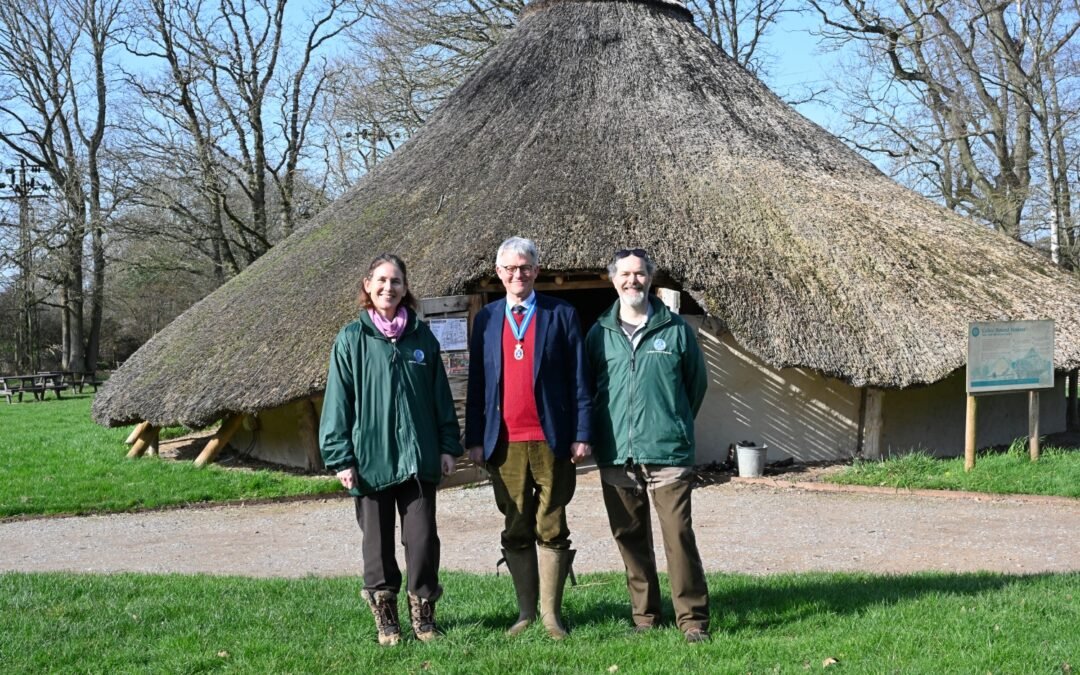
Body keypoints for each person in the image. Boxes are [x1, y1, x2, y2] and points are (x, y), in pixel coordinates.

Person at [319, 253, 462, 647]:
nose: (389, 288)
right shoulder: (352, 339)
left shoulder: (421, 338)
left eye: (396, 281)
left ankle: (424, 618)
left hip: (419, 460)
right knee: (377, 547)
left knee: (422, 541)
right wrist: (341, 457)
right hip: (370, 461)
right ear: (367, 285)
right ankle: (387, 620)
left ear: (405, 287)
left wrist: (449, 446)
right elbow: (338, 403)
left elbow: (440, 399)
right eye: (381, 280)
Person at [465, 236, 593, 640]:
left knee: (552, 524)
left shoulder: (562, 314)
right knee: (515, 525)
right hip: (504, 442)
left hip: (552, 439)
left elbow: (580, 379)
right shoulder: (486, 319)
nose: (517, 274)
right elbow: (478, 384)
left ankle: (552, 616)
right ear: (499, 274)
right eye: (509, 269)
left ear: (536, 271)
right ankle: (524, 613)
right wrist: (474, 438)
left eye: (525, 267)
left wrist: (582, 433)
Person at [585, 248, 711, 643]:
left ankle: (692, 620)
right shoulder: (598, 334)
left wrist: (669, 423)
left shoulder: (675, 331)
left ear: (650, 279)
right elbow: (588, 390)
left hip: (668, 453)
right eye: (625, 274)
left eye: (639, 274)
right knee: (629, 537)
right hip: (617, 453)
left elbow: (695, 387)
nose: (632, 281)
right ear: (613, 279)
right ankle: (645, 616)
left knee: (678, 536)